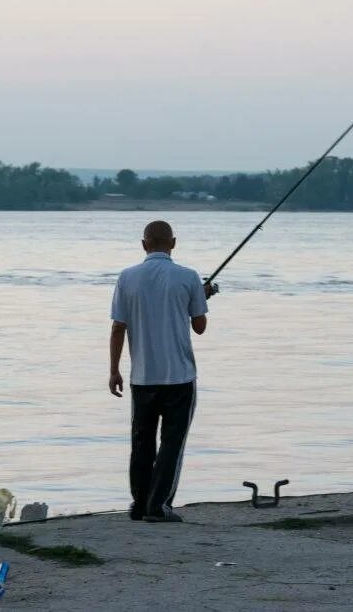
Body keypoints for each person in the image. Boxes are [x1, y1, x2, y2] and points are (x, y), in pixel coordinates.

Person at [109, 220, 214, 522]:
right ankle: (159, 505)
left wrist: (114, 370)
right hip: (179, 376)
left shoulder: (127, 277)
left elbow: (118, 326)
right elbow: (200, 327)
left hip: (142, 376)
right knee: (172, 443)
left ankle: (139, 504)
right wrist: (202, 296)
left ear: (144, 244)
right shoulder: (188, 277)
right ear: (173, 243)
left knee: (141, 442)